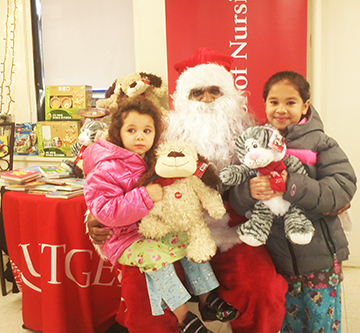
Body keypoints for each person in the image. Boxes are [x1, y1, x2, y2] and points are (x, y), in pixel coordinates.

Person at [88, 48, 289, 333]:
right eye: (197, 93)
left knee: (263, 289)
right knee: (144, 295)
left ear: (229, 95)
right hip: (169, 231)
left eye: (215, 91)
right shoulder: (159, 134)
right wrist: (94, 217)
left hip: (231, 231)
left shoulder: (250, 133)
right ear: (185, 98)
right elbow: (120, 177)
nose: (207, 100)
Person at [83, 97, 239, 333]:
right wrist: (144, 197)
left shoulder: (152, 159)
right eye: (131, 130)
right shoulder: (107, 168)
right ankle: (183, 317)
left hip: (150, 229)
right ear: (118, 132)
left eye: (147, 130)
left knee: (189, 242)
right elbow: (104, 211)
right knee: (157, 259)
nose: (139, 137)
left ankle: (208, 299)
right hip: (123, 238)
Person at [228, 71, 357, 332]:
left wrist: (292, 186)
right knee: (289, 325)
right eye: (274, 102)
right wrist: (249, 192)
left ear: (305, 105)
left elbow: (343, 187)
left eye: (291, 102)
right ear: (265, 104)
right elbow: (236, 200)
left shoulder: (321, 143)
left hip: (320, 258)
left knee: (322, 324)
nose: (281, 110)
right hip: (279, 260)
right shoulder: (254, 145)